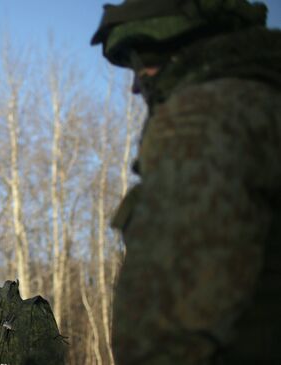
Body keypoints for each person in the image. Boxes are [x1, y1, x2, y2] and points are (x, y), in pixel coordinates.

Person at [91, 0, 281, 363]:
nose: (135, 86)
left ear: (178, 46)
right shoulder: (264, 100)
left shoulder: (205, 117)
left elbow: (171, 319)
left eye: (142, 60)